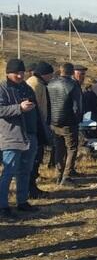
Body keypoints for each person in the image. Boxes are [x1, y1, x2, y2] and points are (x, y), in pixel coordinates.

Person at [0, 59, 46, 218]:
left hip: (30, 135)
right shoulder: (2, 88)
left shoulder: (26, 87)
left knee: (25, 171)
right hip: (11, 136)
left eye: (22, 72)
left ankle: (22, 201)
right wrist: (19, 108)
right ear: (8, 73)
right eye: (16, 73)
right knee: (8, 172)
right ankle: (3, 206)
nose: (20, 75)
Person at [48, 63, 82, 187]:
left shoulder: (50, 84)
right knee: (71, 149)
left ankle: (58, 173)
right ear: (72, 72)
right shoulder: (73, 85)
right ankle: (66, 176)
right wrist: (77, 119)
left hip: (54, 122)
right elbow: (77, 107)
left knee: (59, 148)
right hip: (68, 122)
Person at [26, 61, 54, 198]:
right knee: (34, 158)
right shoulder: (35, 84)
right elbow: (34, 108)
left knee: (37, 157)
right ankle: (30, 189)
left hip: (39, 125)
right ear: (45, 74)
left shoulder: (38, 83)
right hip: (36, 126)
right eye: (51, 75)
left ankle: (32, 187)